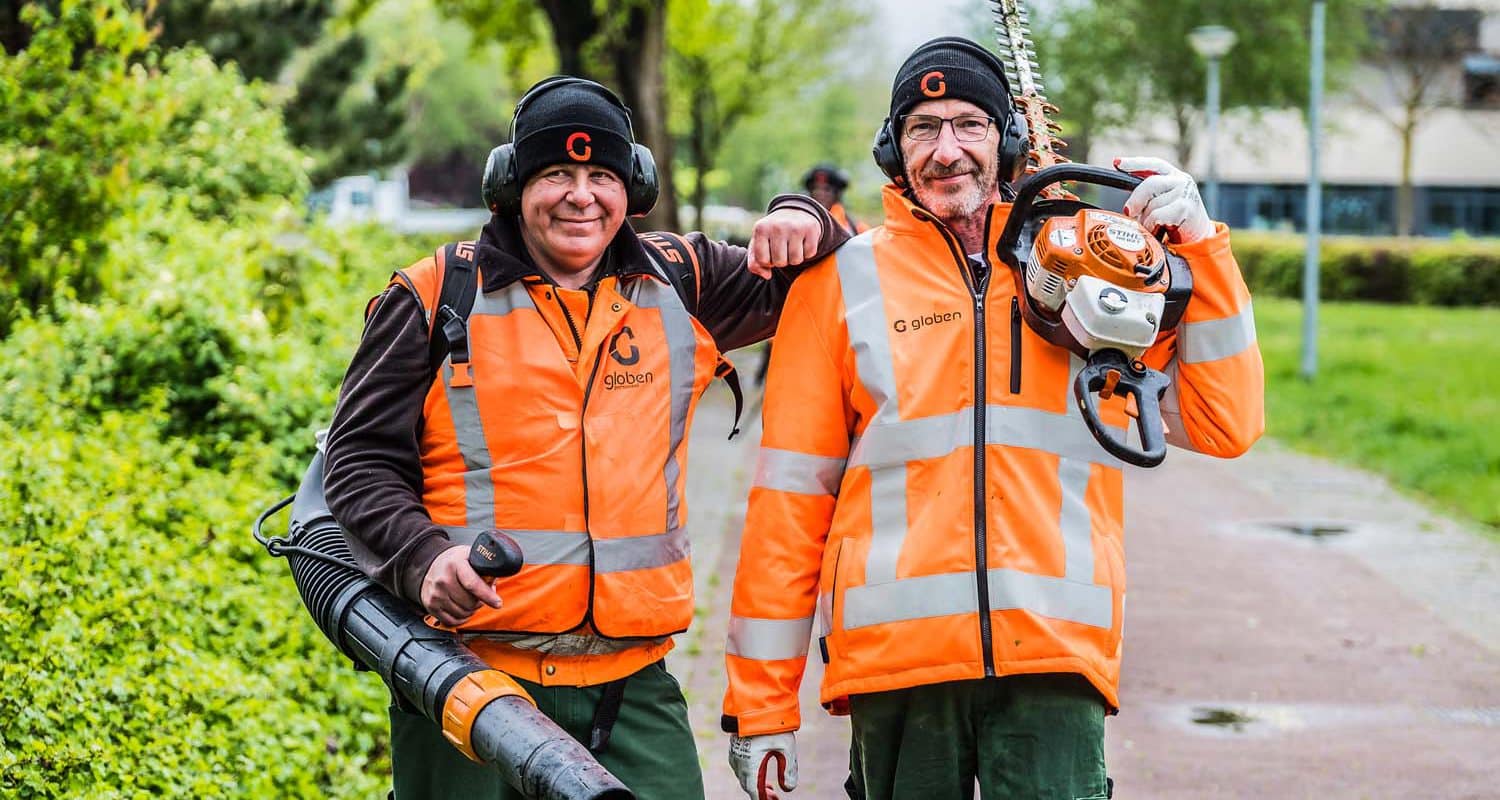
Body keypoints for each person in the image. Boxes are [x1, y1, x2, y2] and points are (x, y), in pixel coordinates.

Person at [720, 37, 1264, 800]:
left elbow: (1225, 422)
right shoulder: (839, 284)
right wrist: (761, 707)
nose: (947, 151)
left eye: (969, 124)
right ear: (892, 148)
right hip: (894, 669)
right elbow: (787, 508)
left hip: (1055, 662)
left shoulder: (1091, 268)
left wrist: (1200, 254)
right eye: (922, 128)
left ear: (1008, 139)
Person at [322, 75, 849, 800]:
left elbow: (839, 278)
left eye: (601, 173)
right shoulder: (437, 294)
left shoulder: (680, 279)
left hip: (631, 688)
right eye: (556, 175)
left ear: (632, 184)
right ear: (511, 186)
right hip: (466, 684)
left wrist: (808, 218)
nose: (581, 195)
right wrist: (423, 559)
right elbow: (356, 459)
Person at [802, 163, 869, 236]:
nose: (820, 193)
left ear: (837, 194)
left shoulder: (858, 228)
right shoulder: (800, 222)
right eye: (815, 188)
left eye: (827, 189)